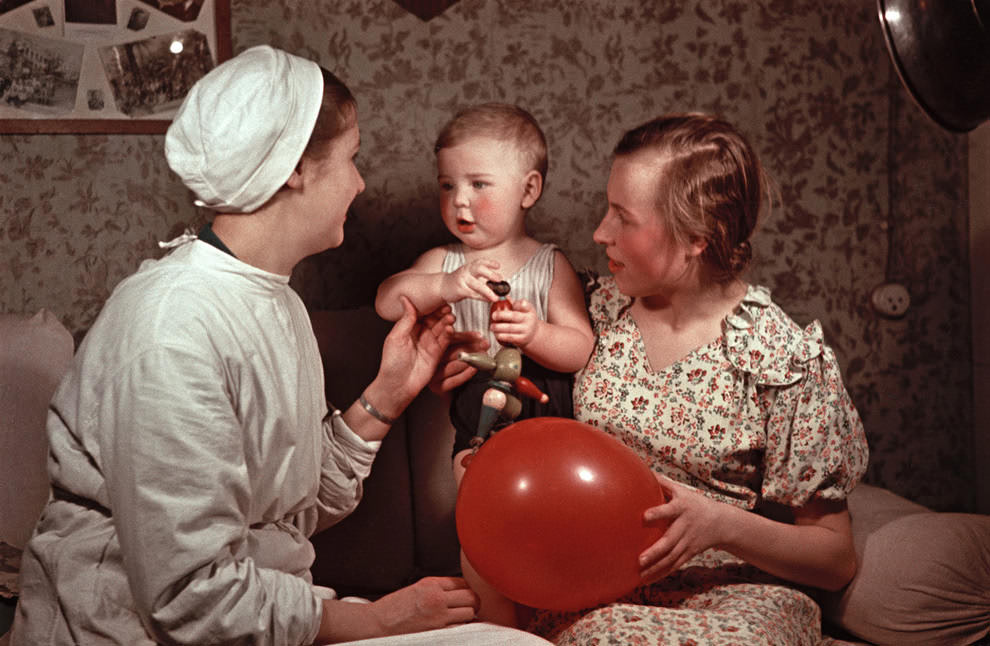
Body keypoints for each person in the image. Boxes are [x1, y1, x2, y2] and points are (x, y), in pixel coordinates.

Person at [11, 46, 551, 646]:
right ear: (295, 166)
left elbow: (291, 508)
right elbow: (190, 598)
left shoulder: (272, 298)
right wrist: (376, 620)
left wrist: (387, 395)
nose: (361, 182)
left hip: (264, 618)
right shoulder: (170, 331)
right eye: (352, 158)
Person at [508, 113, 867, 644]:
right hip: (599, 584)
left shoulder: (783, 359)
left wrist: (720, 525)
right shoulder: (591, 313)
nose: (599, 232)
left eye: (623, 217)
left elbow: (834, 557)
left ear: (697, 236)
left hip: (733, 595)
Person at [374, 103, 594, 624]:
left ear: (529, 190)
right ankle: (497, 628)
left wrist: (537, 333)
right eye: (447, 186)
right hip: (480, 430)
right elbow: (386, 300)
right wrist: (444, 286)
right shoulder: (445, 262)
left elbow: (581, 347)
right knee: (482, 528)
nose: (460, 201)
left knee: (555, 534)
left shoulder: (548, 265)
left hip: (549, 429)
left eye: (478, 184)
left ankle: (554, 620)